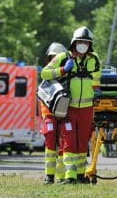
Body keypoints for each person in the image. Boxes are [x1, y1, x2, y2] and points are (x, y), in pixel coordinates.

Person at [41, 26, 101, 184]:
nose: (83, 44)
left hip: (87, 108)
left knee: (82, 141)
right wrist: (62, 70)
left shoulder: (94, 59)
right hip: (69, 107)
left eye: (86, 42)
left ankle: (81, 175)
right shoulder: (62, 57)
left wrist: (96, 92)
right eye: (80, 41)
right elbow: (44, 73)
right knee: (69, 141)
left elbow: (96, 80)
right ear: (74, 42)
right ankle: (69, 176)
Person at [41, 42, 68, 184]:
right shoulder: (47, 75)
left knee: (63, 146)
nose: (53, 61)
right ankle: (49, 176)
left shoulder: (67, 78)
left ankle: (62, 177)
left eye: (56, 58)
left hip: (63, 115)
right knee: (50, 145)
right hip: (50, 115)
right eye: (52, 58)